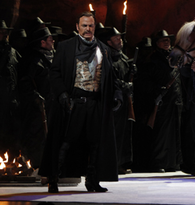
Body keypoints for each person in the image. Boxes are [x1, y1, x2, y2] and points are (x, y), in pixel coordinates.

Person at [39, 12, 122, 193]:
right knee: (65, 142)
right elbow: (55, 72)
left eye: (90, 26)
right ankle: (53, 179)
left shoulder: (102, 49)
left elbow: (111, 77)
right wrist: (62, 94)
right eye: (84, 26)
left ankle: (92, 181)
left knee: (95, 143)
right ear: (77, 27)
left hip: (95, 104)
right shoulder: (66, 47)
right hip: (73, 103)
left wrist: (116, 95)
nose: (87, 29)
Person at [132, 30, 182, 173]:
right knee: (161, 133)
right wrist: (157, 90)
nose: (167, 42)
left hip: (175, 100)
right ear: (157, 44)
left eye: (168, 40)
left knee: (175, 132)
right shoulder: (152, 60)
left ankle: (173, 162)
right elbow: (145, 81)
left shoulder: (174, 58)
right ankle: (158, 162)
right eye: (163, 40)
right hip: (161, 101)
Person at [18, 27, 56, 168]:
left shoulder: (52, 58)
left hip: (52, 105)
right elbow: (25, 82)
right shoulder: (34, 61)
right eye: (50, 39)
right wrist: (36, 97)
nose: (53, 41)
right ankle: (38, 165)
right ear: (42, 42)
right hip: (38, 108)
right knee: (38, 136)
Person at [99, 27, 135, 174]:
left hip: (123, 102)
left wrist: (132, 73)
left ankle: (120, 162)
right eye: (116, 38)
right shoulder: (104, 57)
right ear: (109, 42)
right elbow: (109, 78)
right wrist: (124, 85)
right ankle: (108, 164)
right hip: (110, 101)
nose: (120, 41)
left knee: (122, 134)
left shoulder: (122, 58)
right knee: (110, 134)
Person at [0, 20, 22, 158]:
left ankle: (12, 158)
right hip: (0, 98)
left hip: (12, 98)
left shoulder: (13, 52)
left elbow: (19, 71)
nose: (4, 35)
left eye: (5, 33)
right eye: (1, 33)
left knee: (12, 129)